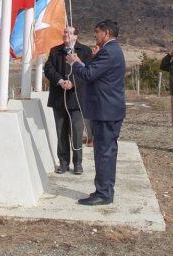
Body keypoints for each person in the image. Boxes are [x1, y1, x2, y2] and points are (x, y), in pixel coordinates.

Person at [66, 19, 126, 206]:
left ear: (106, 33)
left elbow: (89, 75)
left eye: (97, 32)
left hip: (106, 111)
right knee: (104, 152)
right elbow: (95, 72)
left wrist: (75, 63)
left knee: (104, 152)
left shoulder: (109, 51)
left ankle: (104, 193)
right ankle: (103, 189)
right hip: (107, 110)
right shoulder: (111, 50)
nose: (95, 36)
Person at [44, 26, 93, 175]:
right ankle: (63, 163)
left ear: (76, 36)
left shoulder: (85, 51)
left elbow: (88, 71)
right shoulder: (55, 51)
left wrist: (73, 83)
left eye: (70, 33)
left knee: (77, 132)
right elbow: (49, 69)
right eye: (65, 32)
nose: (67, 34)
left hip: (76, 98)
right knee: (61, 131)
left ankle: (77, 163)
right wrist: (60, 81)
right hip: (59, 97)